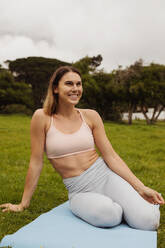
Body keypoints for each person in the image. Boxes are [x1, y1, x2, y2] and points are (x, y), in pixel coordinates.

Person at [0, 66, 164, 231]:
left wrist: (141, 188)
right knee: (109, 215)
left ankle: (130, 204)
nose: (75, 89)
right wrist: (23, 204)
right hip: (78, 190)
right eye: (69, 84)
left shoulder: (91, 116)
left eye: (79, 84)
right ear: (55, 88)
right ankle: (118, 206)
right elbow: (36, 163)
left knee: (149, 221)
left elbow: (111, 157)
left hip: (105, 176)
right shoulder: (41, 118)